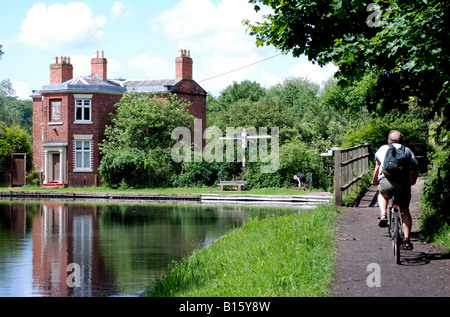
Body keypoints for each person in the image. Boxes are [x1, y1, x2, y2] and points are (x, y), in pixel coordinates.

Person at [372, 130, 418, 250]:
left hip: (386, 181)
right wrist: (412, 181)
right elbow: (414, 167)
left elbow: (377, 168)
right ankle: (407, 240)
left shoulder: (382, 149)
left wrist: (375, 181)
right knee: (404, 209)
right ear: (401, 141)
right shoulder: (407, 150)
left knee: (381, 194)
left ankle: (383, 215)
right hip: (403, 184)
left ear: (389, 140)